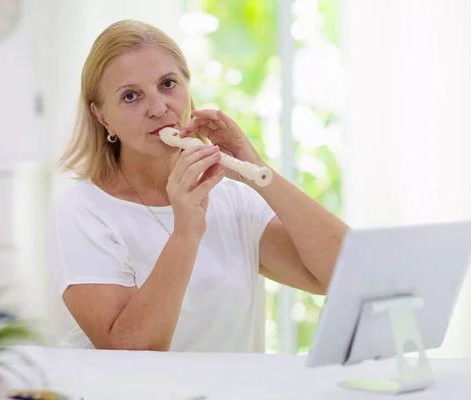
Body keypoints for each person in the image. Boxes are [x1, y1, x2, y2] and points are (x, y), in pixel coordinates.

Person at [45, 19, 349, 353]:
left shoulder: (232, 199)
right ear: (103, 117)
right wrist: (185, 232)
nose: (159, 108)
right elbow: (130, 350)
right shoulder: (84, 211)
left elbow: (342, 275)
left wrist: (259, 173)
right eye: (131, 96)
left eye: (168, 84)